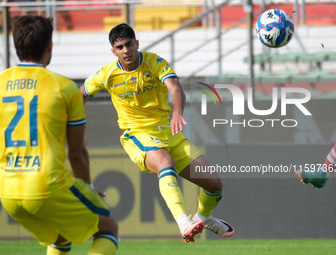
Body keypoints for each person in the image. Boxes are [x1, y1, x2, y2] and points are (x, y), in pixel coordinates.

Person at [80, 23, 234, 243]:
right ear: (113, 51)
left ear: (137, 44)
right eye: (120, 47)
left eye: (129, 44)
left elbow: (176, 88)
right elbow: (81, 94)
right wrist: (76, 128)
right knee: (165, 162)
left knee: (214, 184)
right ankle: (183, 222)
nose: (126, 50)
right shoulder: (106, 74)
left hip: (169, 131)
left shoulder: (155, 62)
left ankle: (203, 218)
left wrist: (177, 112)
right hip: (138, 133)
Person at [0, 16, 118, 255]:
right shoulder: (64, 88)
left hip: (8, 190)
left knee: (60, 237)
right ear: (49, 46)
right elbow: (76, 154)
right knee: (108, 228)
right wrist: (88, 187)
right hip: (47, 184)